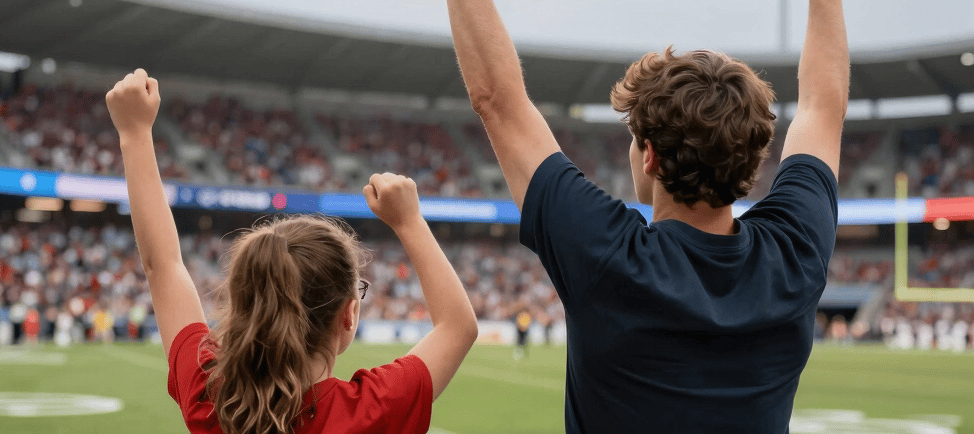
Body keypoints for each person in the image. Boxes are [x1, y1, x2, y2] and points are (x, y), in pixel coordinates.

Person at [448, 0, 848, 431]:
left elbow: (496, 98)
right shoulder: (794, 253)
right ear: (752, 158)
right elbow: (822, 108)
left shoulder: (610, 256)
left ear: (651, 156)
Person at [105, 69, 478, 434]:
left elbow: (163, 267)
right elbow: (458, 326)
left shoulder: (211, 400)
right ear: (347, 314)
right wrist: (409, 221)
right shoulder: (370, 413)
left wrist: (134, 134)